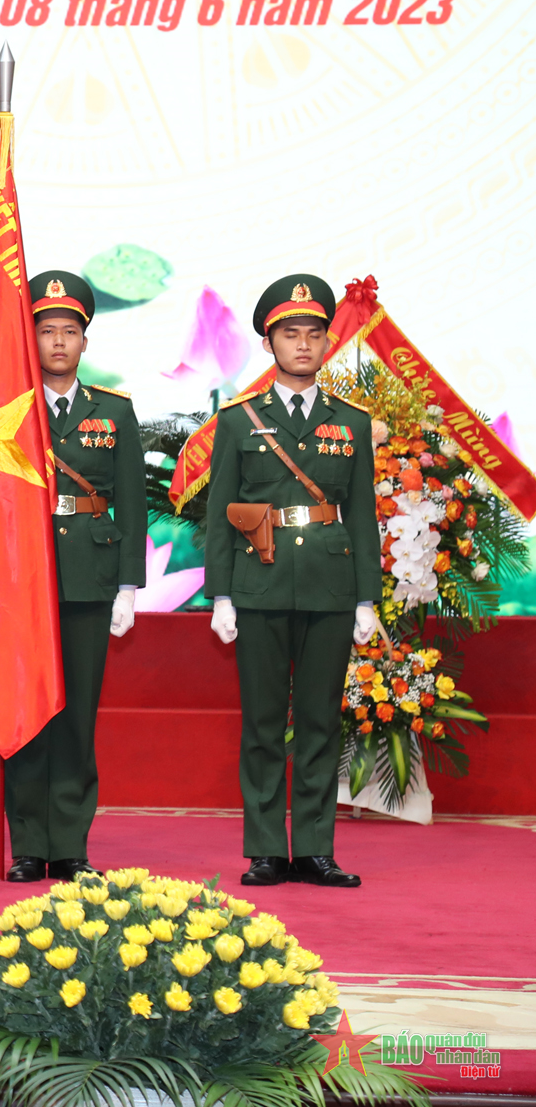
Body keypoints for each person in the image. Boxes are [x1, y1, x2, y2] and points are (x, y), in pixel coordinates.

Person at [204, 274, 379, 888]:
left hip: (330, 586)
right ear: (269, 343)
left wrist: (366, 598)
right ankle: (266, 849)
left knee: (318, 721)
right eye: (289, 334)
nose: (302, 345)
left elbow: (362, 515)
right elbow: (220, 514)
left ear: (326, 342)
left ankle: (313, 847)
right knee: (260, 723)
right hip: (261, 584)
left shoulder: (351, 423)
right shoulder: (238, 421)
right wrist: (220, 594)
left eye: (312, 334)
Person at [4, 271, 144, 883]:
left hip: (90, 575)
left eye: (69, 331)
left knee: (77, 715)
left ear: (85, 341)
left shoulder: (113, 412)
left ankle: (70, 844)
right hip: (22, 581)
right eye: (46, 330)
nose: (57, 342)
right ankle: (28, 844)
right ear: (28, 340)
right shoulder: (7, 412)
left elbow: (135, 504)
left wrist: (129, 585)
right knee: (28, 714)